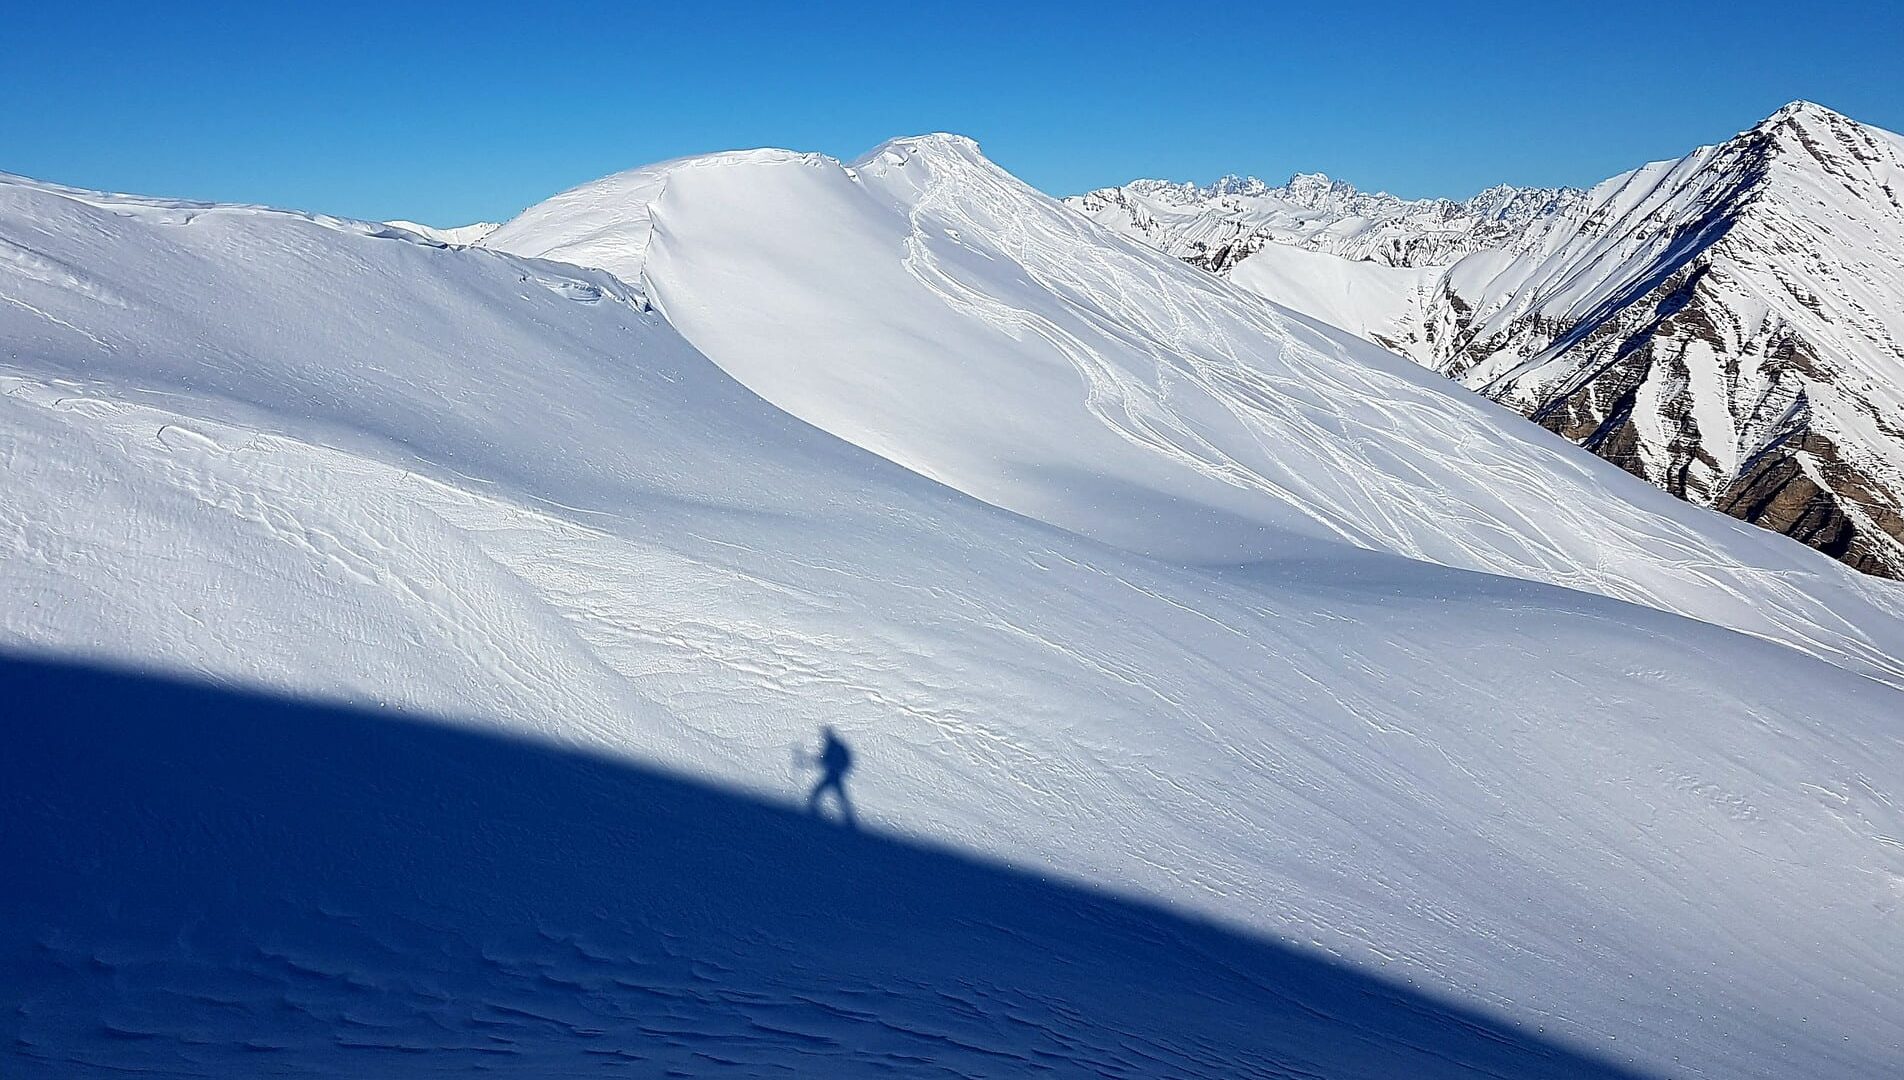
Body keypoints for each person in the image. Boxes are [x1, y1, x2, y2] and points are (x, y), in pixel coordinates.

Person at [805, 726, 857, 826]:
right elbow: (824, 758)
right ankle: (848, 817)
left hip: (834, 774)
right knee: (838, 794)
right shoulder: (833, 746)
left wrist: (835, 767)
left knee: (820, 791)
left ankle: (812, 808)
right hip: (834, 774)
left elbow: (830, 759)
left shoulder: (834, 746)